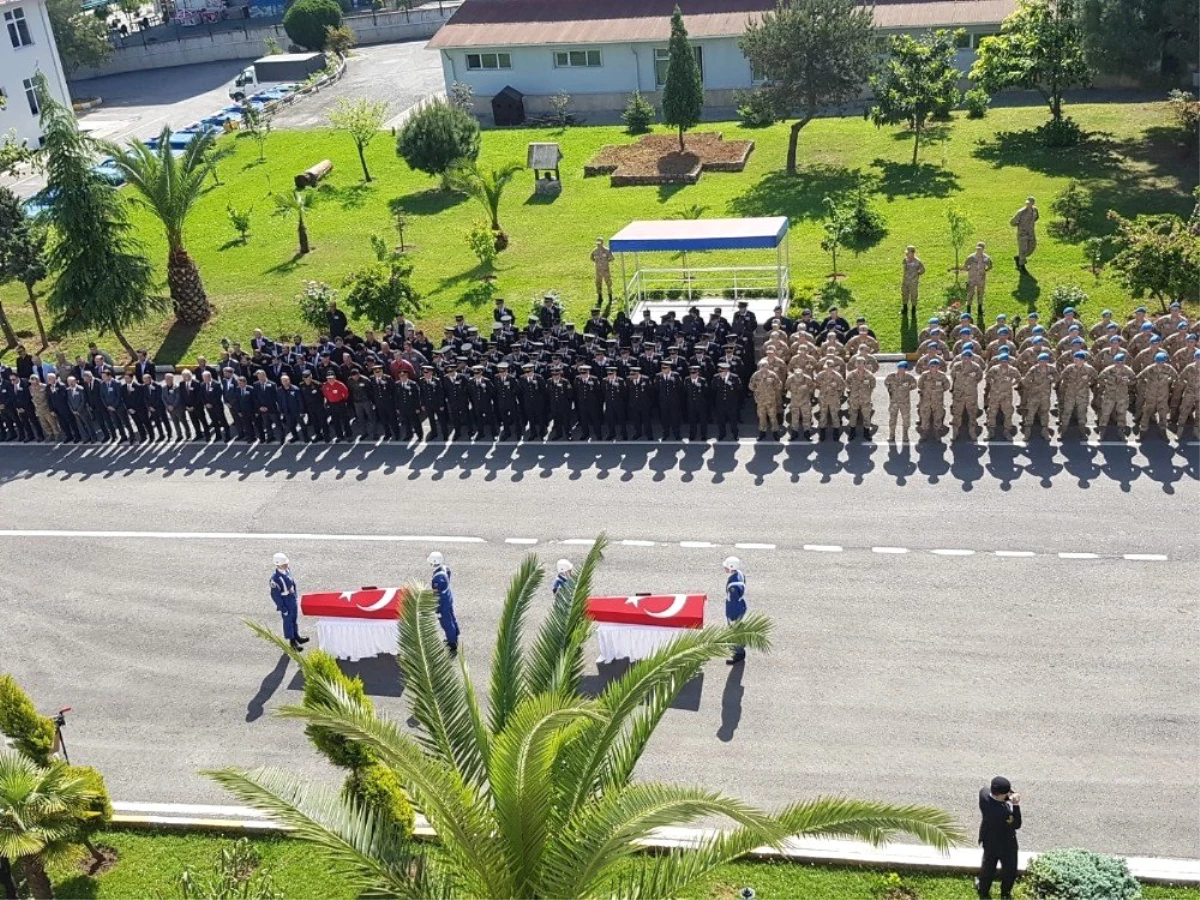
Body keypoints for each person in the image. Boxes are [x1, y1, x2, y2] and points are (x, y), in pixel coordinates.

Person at [977, 775, 1021, 900]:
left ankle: (983, 890)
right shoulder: (1004, 812)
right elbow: (1017, 824)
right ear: (999, 795)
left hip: (989, 840)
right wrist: (1016, 804)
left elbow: (986, 790)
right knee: (1009, 870)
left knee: (988, 868)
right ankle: (1005, 893)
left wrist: (1008, 794)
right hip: (1006, 845)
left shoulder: (984, 795)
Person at [269, 553, 308, 652]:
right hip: (285, 601)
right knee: (288, 622)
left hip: (292, 598)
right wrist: (283, 608)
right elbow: (275, 596)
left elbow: (293, 584)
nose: (286, 565)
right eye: (284, 564)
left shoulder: (287, 571)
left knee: (294, 620)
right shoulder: (275, 579)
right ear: (278, 564)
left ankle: (297, 636)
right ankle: (292, 642)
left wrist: (295, 596)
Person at [428, 551, 460, 655]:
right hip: (448, 598)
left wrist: (437, 609)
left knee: (446, 622)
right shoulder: (445, 569)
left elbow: (437, 594)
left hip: (443, 603)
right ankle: (455, 634)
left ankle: (452, 642)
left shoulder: (438, 579)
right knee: (452, 617)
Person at [722, 556, 747, 665]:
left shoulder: (733, 585)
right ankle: (741, 646)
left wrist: (732, 618)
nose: (725, 568)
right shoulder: (739, 574)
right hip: (741, 606)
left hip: (735, 610)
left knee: (734, 632)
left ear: (731, 567)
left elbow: (733, 603)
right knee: (739, 630)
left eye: (726, 567)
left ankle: (738, 653)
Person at [1010, 197, 1039, 272]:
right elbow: (1012, 222)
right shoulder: (1021, 212)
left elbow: (1036, 218)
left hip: (1031, 233)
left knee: (1032, 247)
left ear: (1033, 204)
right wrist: (1020, 226)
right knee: (1023, 250)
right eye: (1027, 203)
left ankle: (1019, 257)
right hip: (1023, 234)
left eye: (1029, 203)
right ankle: (1021, 267)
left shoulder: (1035, 210)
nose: (1028, 204)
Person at [964, 242, 993, 316]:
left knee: (980, 294)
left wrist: (985, 270)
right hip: (972, 279)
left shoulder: (986, 258)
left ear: (983, 249)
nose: (979, 250)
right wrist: (969, 270)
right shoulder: (971, 257)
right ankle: (968, 310)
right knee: (970, 293)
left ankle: (980, 309)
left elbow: (990, 266)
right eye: (978, 248)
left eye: (980, 249)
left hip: (981, 279)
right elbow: (965, 265)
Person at [900, 245, 926, 316]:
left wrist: (917, 274)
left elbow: (923, 270)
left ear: (912, 253)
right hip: (905, 281)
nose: (906, 254)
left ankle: (913, 311)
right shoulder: (905, 260)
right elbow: (904, 269)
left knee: (914, 296)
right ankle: (905, 309)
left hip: (913, 283)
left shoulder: (918, 261)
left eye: (908, 252)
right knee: (904, 294)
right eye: (906, 252)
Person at [590, 237, 614, 307]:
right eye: (597, 244)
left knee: (609, 284)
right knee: (598, 284)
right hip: (598, 271)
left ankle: (610, 297)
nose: (598, 245)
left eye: (599, 244)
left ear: (602, 243)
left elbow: (612, 258)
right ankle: (600, 297)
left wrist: (606, 261)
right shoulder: (595, 251)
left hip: (606, 270)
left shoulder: (607, 251)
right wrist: (596, 262)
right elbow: (591, 258)